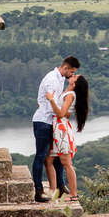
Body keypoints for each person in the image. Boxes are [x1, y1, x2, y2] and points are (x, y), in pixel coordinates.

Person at [32, 55, 79, 202]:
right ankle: (39, 190)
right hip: (43, 122)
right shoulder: (52, 80)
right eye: (72, 72)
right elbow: (51, 103)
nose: (72, 75)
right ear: (65, 68)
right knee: (41, 156)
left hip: (52, 123)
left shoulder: (61, 79)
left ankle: (59, 186)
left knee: (57, 157)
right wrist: (62, 111)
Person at [45, 74, 88, 202]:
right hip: (57, 127)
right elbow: (66, 112)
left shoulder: (70, 95)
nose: (72, 76)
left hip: (60, 129)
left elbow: (62, 113)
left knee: (66, 163)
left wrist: (51, 100)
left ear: (75, 83)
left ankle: (73, 194)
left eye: (75, 76)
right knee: (48, 160)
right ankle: (53, 191)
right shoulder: (67, 93)